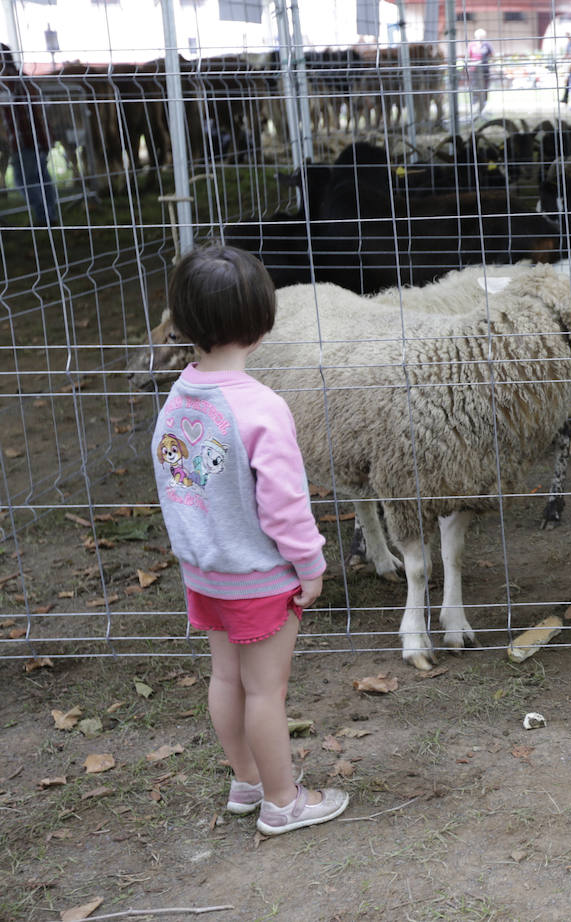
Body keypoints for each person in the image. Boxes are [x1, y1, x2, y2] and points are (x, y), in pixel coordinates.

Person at [151, 245, 348, 836]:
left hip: (205, 572)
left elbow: (175, 481)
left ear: (182, 324)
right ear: (263, 323)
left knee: (226, 678)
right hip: (258, 575)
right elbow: (284, 502)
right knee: (267, 690)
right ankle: (284, 801)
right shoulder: (261, 407)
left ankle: (247, 780)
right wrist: (308, 563)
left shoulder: (178, 400)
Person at [1, 43, 58, 226]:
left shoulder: (5, 78)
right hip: (39, 136)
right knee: (42, 177)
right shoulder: (21, 76)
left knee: (23, 180)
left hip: (24, 139)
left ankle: (43, 217)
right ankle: (50, 216)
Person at [466, 28, 494, 115]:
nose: (481, 38)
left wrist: (488, 62)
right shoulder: (471, 45)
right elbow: (467, 56)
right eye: (479, 36)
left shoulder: (487, 45)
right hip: (474, 70)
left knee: (485, 87)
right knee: (474, 87)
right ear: (476, 36)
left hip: (485, 69)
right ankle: (474, 104)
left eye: (482, 36)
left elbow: (492, 55)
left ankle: (484, 104)